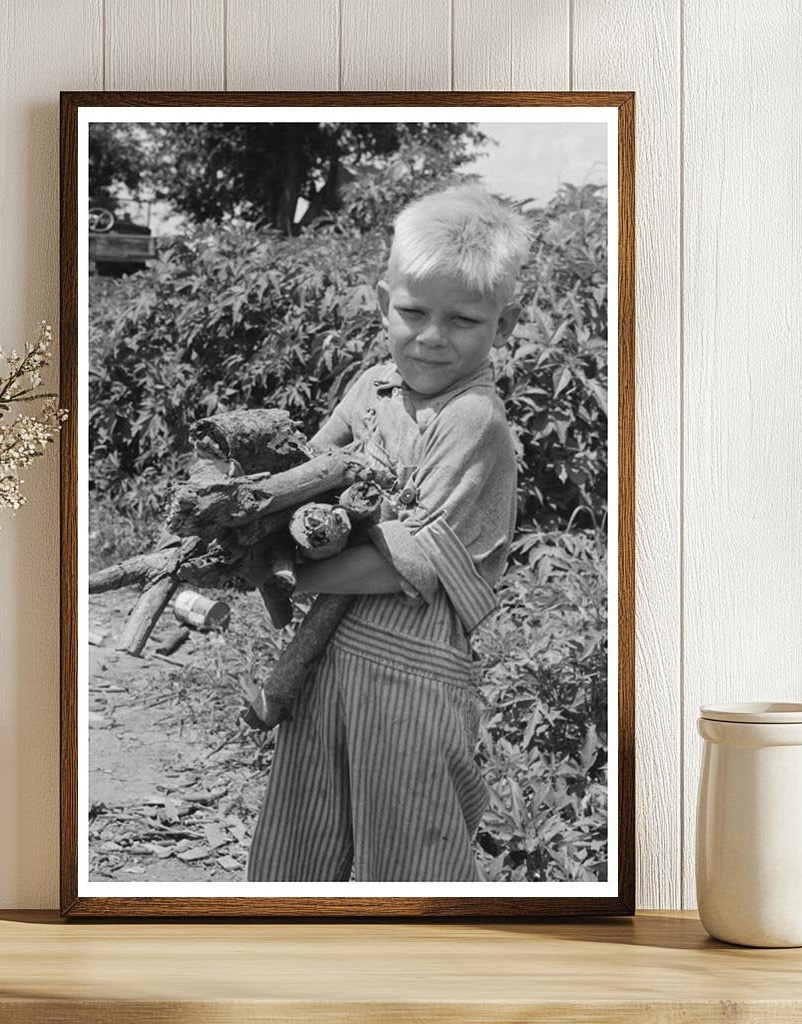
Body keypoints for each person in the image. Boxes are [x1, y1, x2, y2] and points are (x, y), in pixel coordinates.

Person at [247, 185, 532, 883]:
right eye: (412, 312)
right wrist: (257, 514)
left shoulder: (473, 420)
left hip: (412, 670)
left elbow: (403, 568)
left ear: (504, 320)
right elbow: (306, 477)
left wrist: (279, 572)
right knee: (302, 843)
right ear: (383, 304)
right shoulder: (372, 387)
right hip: (330, 661)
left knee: (409, 860)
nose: (433, 336)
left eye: (464, 319)